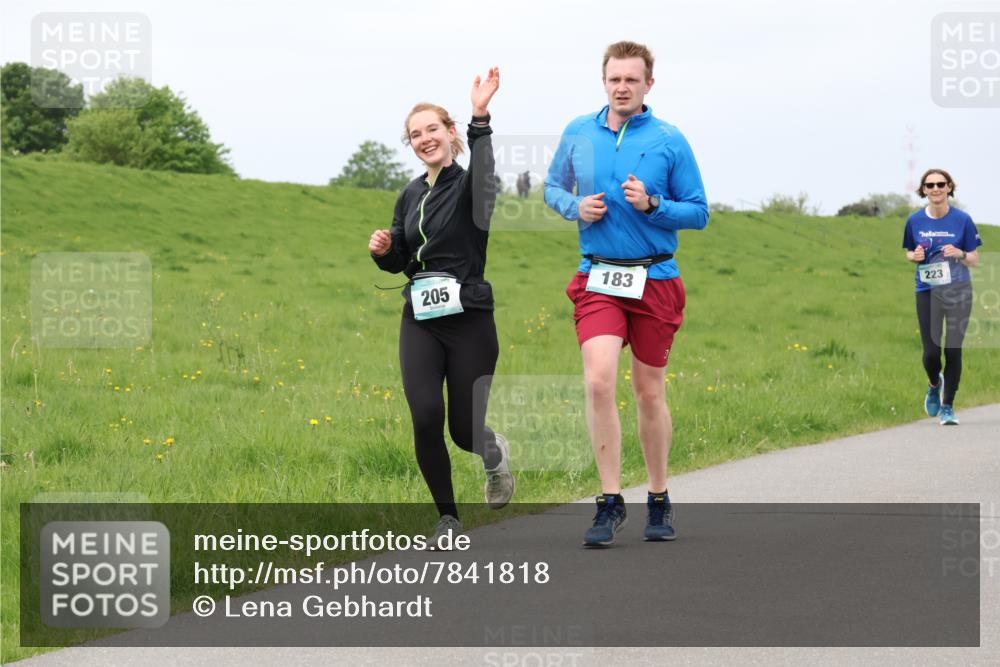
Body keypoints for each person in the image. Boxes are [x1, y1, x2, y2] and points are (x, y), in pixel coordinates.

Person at [544, 42, 708, 546]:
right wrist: (575, 207)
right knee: (598, 382)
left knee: (648, 391)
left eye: (632, 80)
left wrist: (654, 204)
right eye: (615, 79)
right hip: (599, 277)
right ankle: (610, 500)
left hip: (655, 278)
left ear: (648, 85)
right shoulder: (579, 131)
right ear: (604, 81)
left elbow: (699, 211)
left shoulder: (669, 140)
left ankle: (657, 498)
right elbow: (552, 188)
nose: (622, 87)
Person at [368, 68, 513, 549]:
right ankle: (448, 519)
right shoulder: (410, 194)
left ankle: (492, 453)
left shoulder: (474, 188)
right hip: (422, 320)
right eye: (415, 135)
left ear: (450, 134)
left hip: (469, 318)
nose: (424, 139)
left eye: (432, 129)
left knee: (464, 430)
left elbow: (486, 166)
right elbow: (401, 261)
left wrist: (480, 116)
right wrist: (384, 250)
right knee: (426, 415)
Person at [902, 168, 981, 426]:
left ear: (949, 188)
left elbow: (975, 259)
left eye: (940, 184)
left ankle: (948, 406)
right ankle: (934, 383)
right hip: (927, 291)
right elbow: (909, 253)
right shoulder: (914, 221)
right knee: (931, 353)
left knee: (953, 350)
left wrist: (959, 253)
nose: (935, 189)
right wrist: (913, 256)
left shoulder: (963, 220)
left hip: (958, 291)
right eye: (930, 185)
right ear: (924, 190)